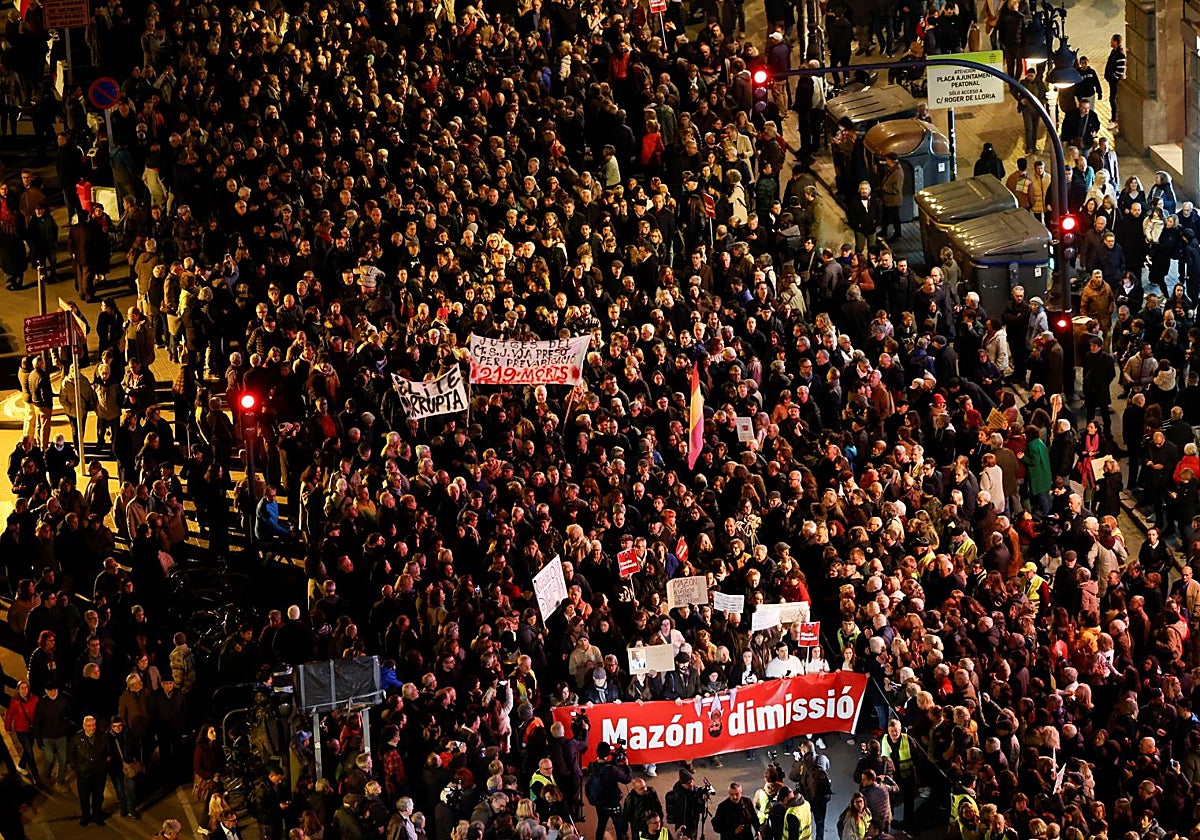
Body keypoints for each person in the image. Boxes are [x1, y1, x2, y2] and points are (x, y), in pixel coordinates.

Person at [68, 715, 109, 826]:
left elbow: (108, 752)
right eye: (89, 726)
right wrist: (76, 768)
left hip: (99, 774)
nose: (92, 728)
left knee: (98, 796)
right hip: (83, 774)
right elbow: (70, 754)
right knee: (84, 797)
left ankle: (97, 815)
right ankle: (85, 816)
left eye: (93, 725)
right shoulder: (76, 739)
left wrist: (104, 766)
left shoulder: (102, 737)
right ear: (84, 726)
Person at [587, 742, 632, 840]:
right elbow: (627, 779)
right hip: (612, 803)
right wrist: (626, 765)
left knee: (601, 825)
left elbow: (604, 768)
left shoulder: (592, 766)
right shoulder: (611, 770)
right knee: (620, 828)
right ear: (608, 753)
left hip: (599, 803)